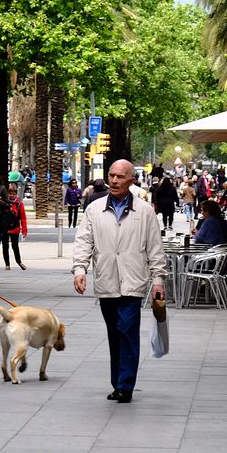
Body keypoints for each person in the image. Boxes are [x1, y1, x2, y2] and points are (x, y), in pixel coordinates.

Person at [72, 159, 166, 403]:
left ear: (131, 180)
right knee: (114, 333)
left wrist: (158, 279)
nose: (113, 180)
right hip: (106, 281)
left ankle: (126, 385)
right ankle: (118, 383)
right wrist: (79, 269)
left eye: (120, 177)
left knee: (127, 330)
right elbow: (84, 241)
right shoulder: (94, 209)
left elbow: (155, 248)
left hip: (133, 283)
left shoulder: (145, 211)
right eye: (111, 175)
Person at [1, 183, 28, 270]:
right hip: (5, 228)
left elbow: (23, 218)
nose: (12, 195)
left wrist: (24, 230)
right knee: (5, 246)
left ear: (16, 194)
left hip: (15, 228)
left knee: (15, 246)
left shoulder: (19, 204)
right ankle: (7, 264)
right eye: (10, 193)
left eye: (13, 194)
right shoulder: (4, 203)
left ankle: (19, 261)